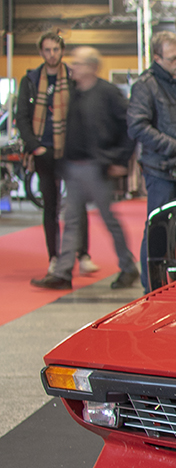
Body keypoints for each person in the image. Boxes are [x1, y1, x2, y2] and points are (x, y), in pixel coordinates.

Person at [31, 48, 139, 291]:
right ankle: (63, 272)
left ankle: (128, 266)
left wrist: (120, 159)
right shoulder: (73, 93)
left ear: (91, 67)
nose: (73, 68)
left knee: (108, 219)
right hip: (73, 167)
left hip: (97, 167)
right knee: (71, 220)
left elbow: (128, 127)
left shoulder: (108, 93)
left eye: (78, 64)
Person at [14, 30, 97, 276]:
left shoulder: (73, 78)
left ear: (62, 51)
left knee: (77, 204)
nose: (52, 54)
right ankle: (54, 256)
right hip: (43, 151)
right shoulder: (30, 80)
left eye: (56, 49)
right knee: (50, 205)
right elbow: (22, 117)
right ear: (41, 52)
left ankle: (83, 254)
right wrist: (35, 147)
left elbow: (83, 112)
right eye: (47, 50)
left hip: (70, 152)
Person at [127, 30, 176, 292]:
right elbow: (136, 126)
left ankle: (173, 285)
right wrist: (170, 145)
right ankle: (150, 287)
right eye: (173, 58)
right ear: (156, 57)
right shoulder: (145, 85)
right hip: (162, 169)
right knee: (157, 230)